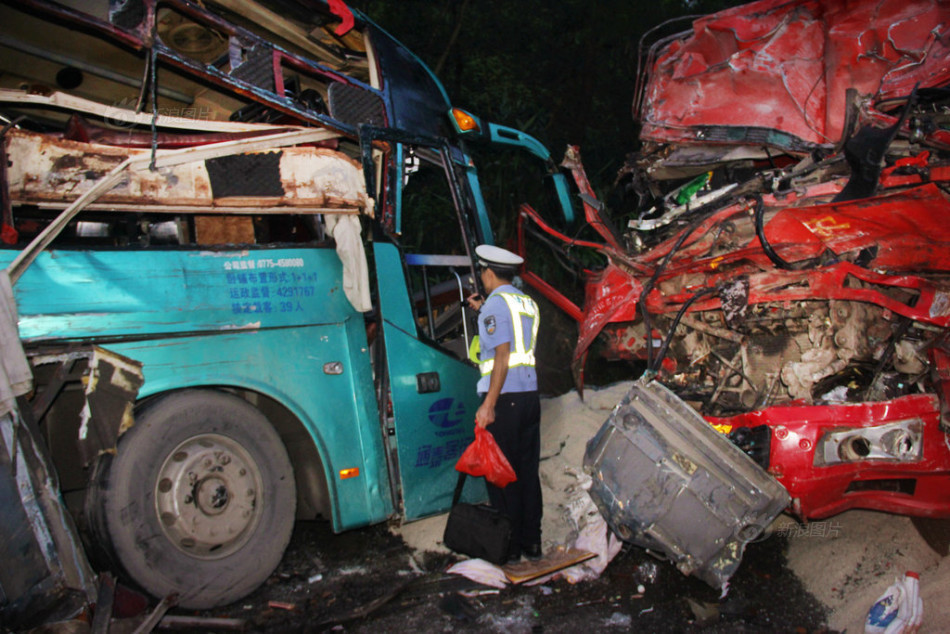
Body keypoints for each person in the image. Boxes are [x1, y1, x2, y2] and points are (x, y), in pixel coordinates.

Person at [467, 244, 542, 563]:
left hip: (505, 400)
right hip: (529, 398)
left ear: (488, 272)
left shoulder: (494, 307)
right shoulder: (525, 302)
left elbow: (502, 355)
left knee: (502, 475)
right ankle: (532, 543)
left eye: (482, 274)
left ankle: (508, 549)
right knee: (527, 472)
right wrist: (483, 311)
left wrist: (489, 405)